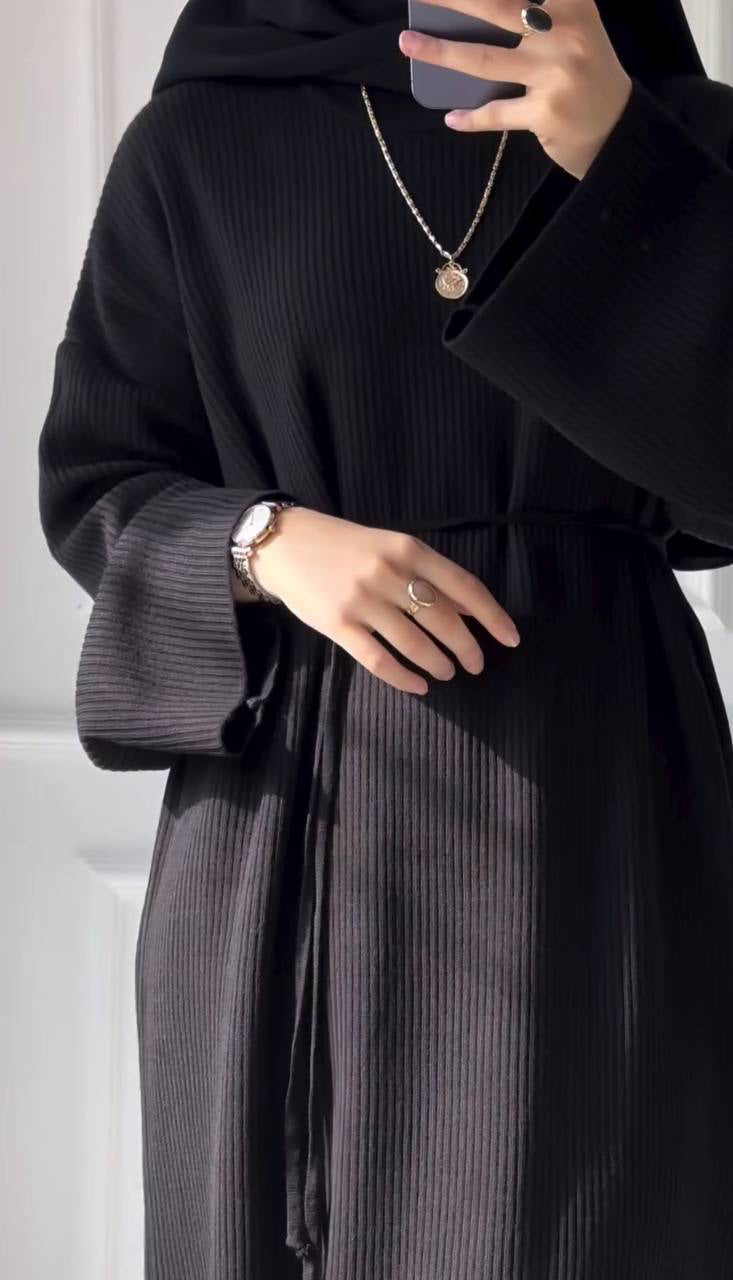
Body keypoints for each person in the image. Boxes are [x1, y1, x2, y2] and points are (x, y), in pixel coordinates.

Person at [37, 1, 733, 1276]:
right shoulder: (202, 137)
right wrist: (264, 539)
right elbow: (98, 481)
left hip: (601, 816)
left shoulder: (681, 136)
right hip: (286, 827)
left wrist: (625, 161)